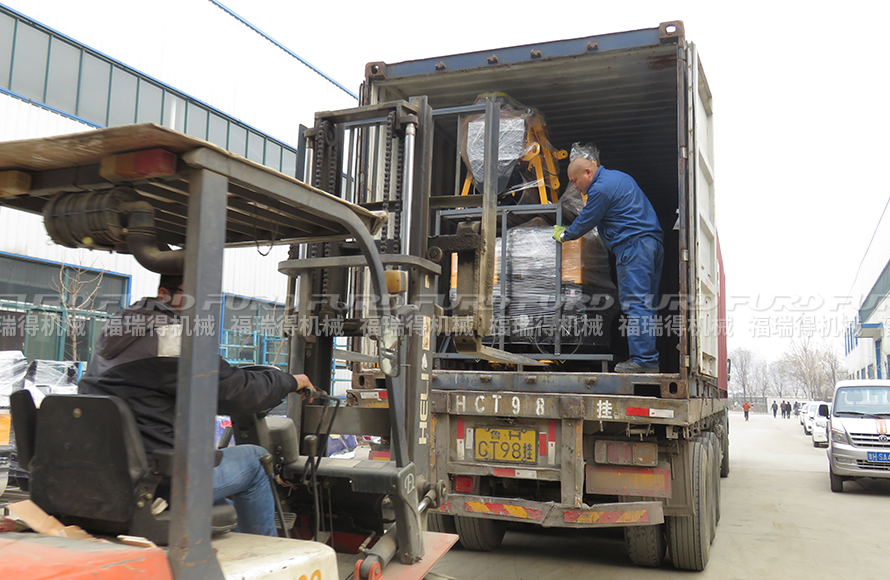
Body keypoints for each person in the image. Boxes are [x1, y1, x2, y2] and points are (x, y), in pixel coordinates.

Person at [79, 274, 316, 536]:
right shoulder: (169, 337)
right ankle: (265, 556)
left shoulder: (117, 334)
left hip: (109, 473)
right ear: (163, 294)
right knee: (256, 460)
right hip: (157, 478)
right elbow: (234, 390)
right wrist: (290, 381)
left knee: (225, 504)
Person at [552, 144, 664, 373]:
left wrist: (565, 234)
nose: (574, 186)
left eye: (574, 181)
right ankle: (648, 358)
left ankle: (644, 360)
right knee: (646, 304)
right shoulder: (619, 178)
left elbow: (587, 219)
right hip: (651, 244)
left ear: (588, 172)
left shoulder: (600, 189)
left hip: (633, 247)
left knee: (636, 303)